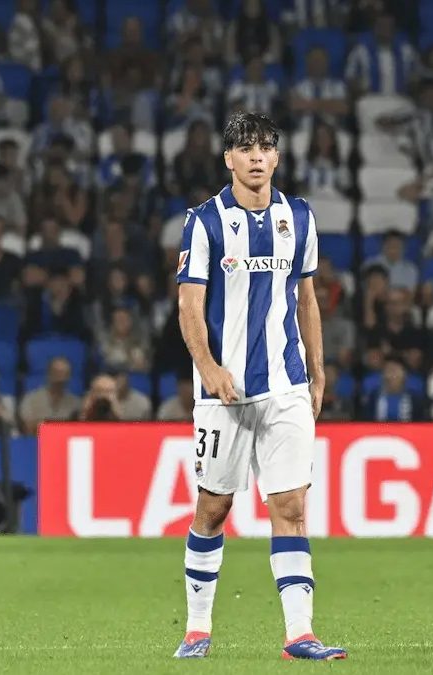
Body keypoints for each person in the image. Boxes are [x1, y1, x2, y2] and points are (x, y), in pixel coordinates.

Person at [172, 112, 344, 660]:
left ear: (276, 157)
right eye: (244, 148)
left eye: (265, 147)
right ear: (228, 158)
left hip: (286, 385)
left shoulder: (300, 217)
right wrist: (208, 367)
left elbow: (307, 299)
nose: (255, 156)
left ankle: (300, 635)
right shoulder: (204, 222)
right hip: (224, 395)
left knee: (291, 506)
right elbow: (189, 306)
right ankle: (197, 628)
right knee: (213, 509)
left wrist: (317, 370)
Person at [17, 356, 80, 434]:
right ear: (49, 374)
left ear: (69, 377)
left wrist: (44, 424)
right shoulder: (30, 399)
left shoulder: (76, 403)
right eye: (57, 373)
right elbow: (27, 428)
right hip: (37, 442)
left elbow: (78, 430)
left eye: (65, 374)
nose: (61, 378)